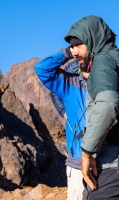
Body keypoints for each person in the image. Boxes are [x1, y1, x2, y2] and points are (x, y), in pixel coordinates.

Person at [64, 15, 119, 199]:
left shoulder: (103, 61)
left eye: (78, 44)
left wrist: (86, 152)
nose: (73, 52)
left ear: (92, 40)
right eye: (71, 46)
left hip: (118, 167)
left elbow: (108, 103)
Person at [35, 51, 87, 199]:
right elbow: (42, 69)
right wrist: (68, 52)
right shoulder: (72, 82)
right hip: (78, 161)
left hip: (106, 162)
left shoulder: (106, 77)